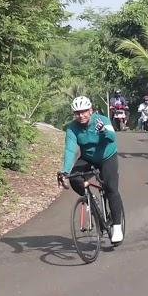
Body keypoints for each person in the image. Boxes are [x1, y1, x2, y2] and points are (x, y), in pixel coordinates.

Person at [57, 96, 124, 244]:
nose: (81, 115)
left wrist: (103, 131)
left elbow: (112, 137)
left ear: (91, 110)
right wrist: (65, 171)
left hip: (107, 156)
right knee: (75, 178)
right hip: (88, 157)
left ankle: (117, 227)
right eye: (77, 113)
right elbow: (69, 150)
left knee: (111, 188)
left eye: (84, 112)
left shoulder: (102, 120)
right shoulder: (72, 128)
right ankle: (91, 199)